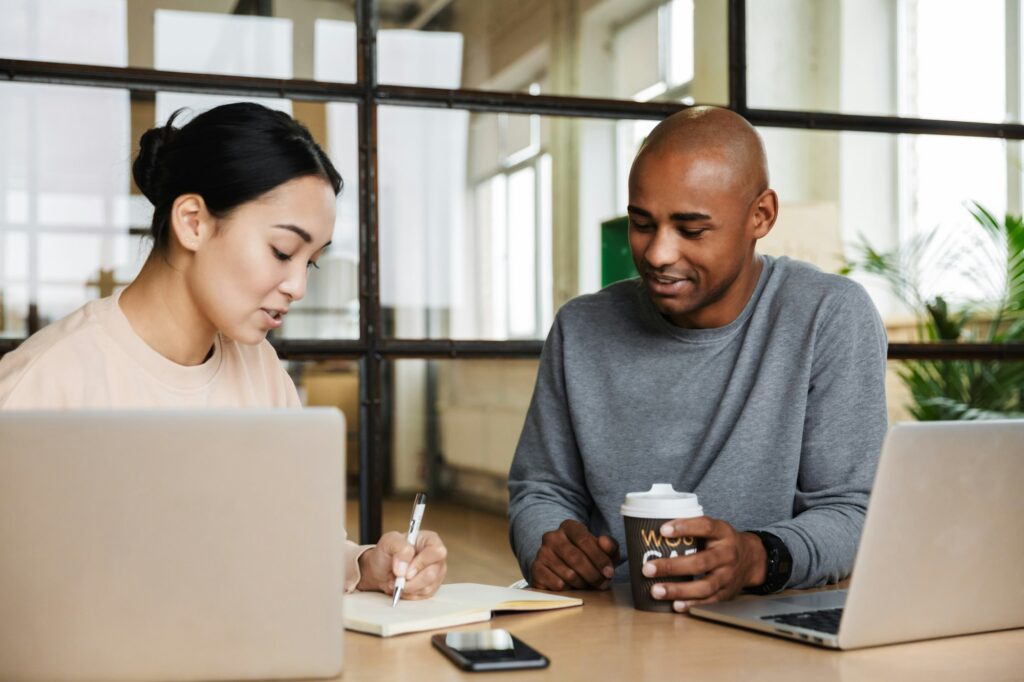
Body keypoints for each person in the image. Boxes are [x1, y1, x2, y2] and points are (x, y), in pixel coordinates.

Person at [0, 102, 446, 600]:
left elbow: (298, 543)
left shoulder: (262, 371)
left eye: (311, 264)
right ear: (192, 222)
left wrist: (366, 565)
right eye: (282, 251)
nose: (297, 286)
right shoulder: (42, 383)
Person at [507, 106, 887, 612]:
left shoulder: (828, 315)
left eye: (691, 229)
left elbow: (854, 511)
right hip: (614, 619)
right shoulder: (581, 328)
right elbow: (540, 489)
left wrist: (757, 557)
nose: (659, 253)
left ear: (761, 216)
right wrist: (546, 544)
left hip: (768, 619)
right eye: (642, 224)